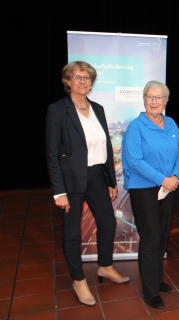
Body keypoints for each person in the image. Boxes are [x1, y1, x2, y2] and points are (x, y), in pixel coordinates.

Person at [46, 61, 129, 307]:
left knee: (107, 222)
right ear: (67, 81)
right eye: (77, 77)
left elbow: (105, 147)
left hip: (96, 177)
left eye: (87, 77)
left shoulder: (99, 109)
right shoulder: (58, 110)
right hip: (70, 180)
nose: (82, 81)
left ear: (92, 82)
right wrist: (58, 191)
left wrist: (111, 181)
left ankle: (105, 267)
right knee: (72, 232)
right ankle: (78, 280)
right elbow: (51, 154)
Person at [122, 81, 179, 308]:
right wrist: (164, 180)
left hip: (168, 187)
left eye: (159, 97)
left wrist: (175, 177)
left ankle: (157, 280)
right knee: (150, 238)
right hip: (144, 188)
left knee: (163, 234)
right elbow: (135, 161)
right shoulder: (136, 127)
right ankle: (150, 290)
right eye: (150, 97)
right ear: (144, 99)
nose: (154, 101)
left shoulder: (171, 123)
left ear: (166, 100)